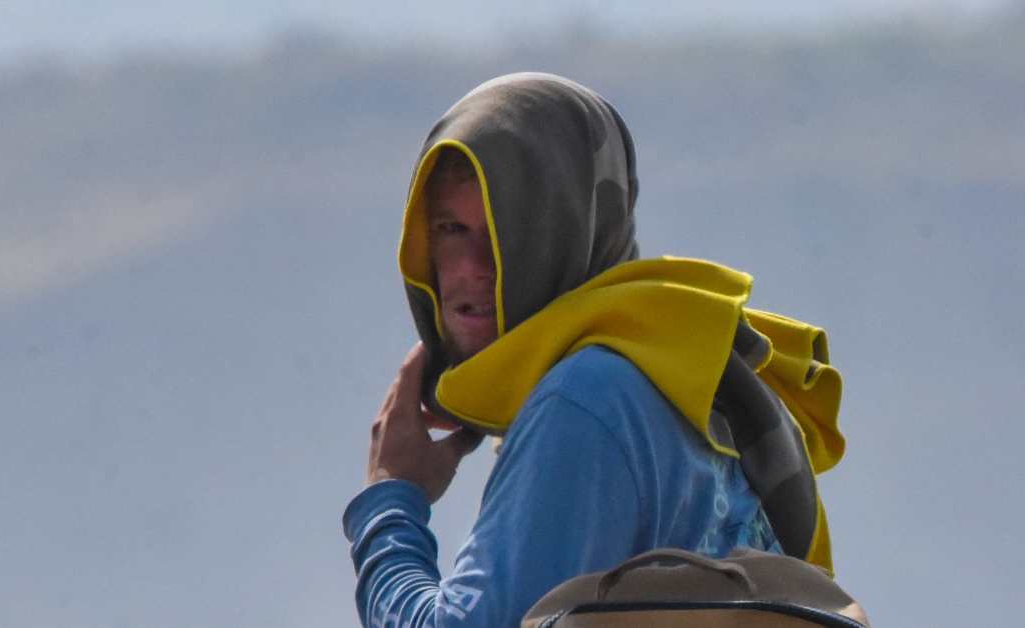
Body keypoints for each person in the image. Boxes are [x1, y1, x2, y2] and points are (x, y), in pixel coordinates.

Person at [343, 73, 846, 627]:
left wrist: (390, 503)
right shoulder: (678, 367)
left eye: (512, 232)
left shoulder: (587, 401)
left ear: (574, 233)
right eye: (451, 228)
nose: (472, 269)